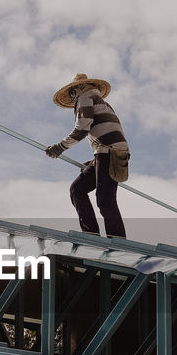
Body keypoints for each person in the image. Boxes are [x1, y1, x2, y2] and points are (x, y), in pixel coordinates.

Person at [45, 73, 130, 238]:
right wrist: (95, 161)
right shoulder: (102, 102)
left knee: (105, 199)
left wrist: (59, 147)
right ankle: (90, 234)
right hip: (107, 152)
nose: (72, 97)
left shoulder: (84, 97)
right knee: (77, 189)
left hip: (108, 152)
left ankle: (118, 241)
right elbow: (107, 132)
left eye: (71, 93)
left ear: (78, 88)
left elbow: (82, 128)